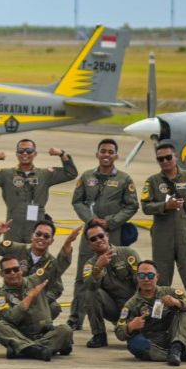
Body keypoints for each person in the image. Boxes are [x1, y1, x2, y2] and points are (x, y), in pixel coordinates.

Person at [141, 142, 186, 335]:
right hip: (162, 239)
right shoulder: (153, 181)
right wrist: (165, 207)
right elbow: (146, 206)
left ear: (176, 157)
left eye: (168, 157)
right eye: (160, 159)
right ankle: (157, 319)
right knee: (160, 282)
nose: (164, 161)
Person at [68, 138, 138, 330]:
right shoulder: (86, 176)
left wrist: (111, 222)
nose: (106, 155)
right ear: (97, 154)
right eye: (103, 151)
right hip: (90, 234)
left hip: (112, 234)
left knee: (115, 275)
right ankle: (75, 318)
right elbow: (77, 201)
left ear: (116, 155)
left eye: (110, 152)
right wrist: (90, 219)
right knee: (84, 275)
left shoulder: (124, 179)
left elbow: (132, 205)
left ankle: (121, 316)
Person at [0, 229, 81, 361]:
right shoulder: (1, 297)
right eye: (8, 271)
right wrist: (30, 297)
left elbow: (56, 267)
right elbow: (11, 319)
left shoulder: (35, 279)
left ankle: (25, 350)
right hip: (21, 335)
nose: (13, 273)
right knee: (0, 327)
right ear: (1, 274)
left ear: (21, 269)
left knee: (66, 329)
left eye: (16, 269)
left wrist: (67, 243)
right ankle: (41, 349)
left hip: (43, 333)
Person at [0, 138, 77, 243]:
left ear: (35, 154)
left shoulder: (45, 174)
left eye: (29, 151)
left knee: (35, 256)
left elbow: (71, 173)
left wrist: (61, 154)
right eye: (21, 151)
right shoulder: (6, 174)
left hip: (36, 227)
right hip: (13, 225)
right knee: (11, 255)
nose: (25, 154)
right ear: (16, 154)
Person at [0, 220, 66, 336]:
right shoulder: (17, 249)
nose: (41, 238)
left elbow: (57, 289)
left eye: (46, 236)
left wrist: (38, 300)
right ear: (32, 235)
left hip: (34, 303)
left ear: (51, 241)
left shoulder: (52, 262)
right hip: (11, 297)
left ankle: (34, 330)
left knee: (54, 307)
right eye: (38, 234)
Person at [114, 261, 186, 366]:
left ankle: (176, 348)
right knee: (134, 344)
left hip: (173, 336)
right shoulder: (131, 304)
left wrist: (177, 302)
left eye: (150, 275)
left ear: (157, 277)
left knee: (184, 312)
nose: (146, 279)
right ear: (137, 277)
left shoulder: (170, 293)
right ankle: (178, 355)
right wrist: (130, 327)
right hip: (151, 343)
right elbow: (119, 332)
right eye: (142, 275)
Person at [80, 223, 142, 348]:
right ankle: (99, 335)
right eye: (93, 239)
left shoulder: (128, 254)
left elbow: (141, 283)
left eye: (100, 236)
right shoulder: (90, 264)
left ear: (107, 236)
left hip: (135, 307)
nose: (98, 240)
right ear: (89, 244)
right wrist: (98, 267)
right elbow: (89, 286)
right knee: (90, 292)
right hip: (114, 309)